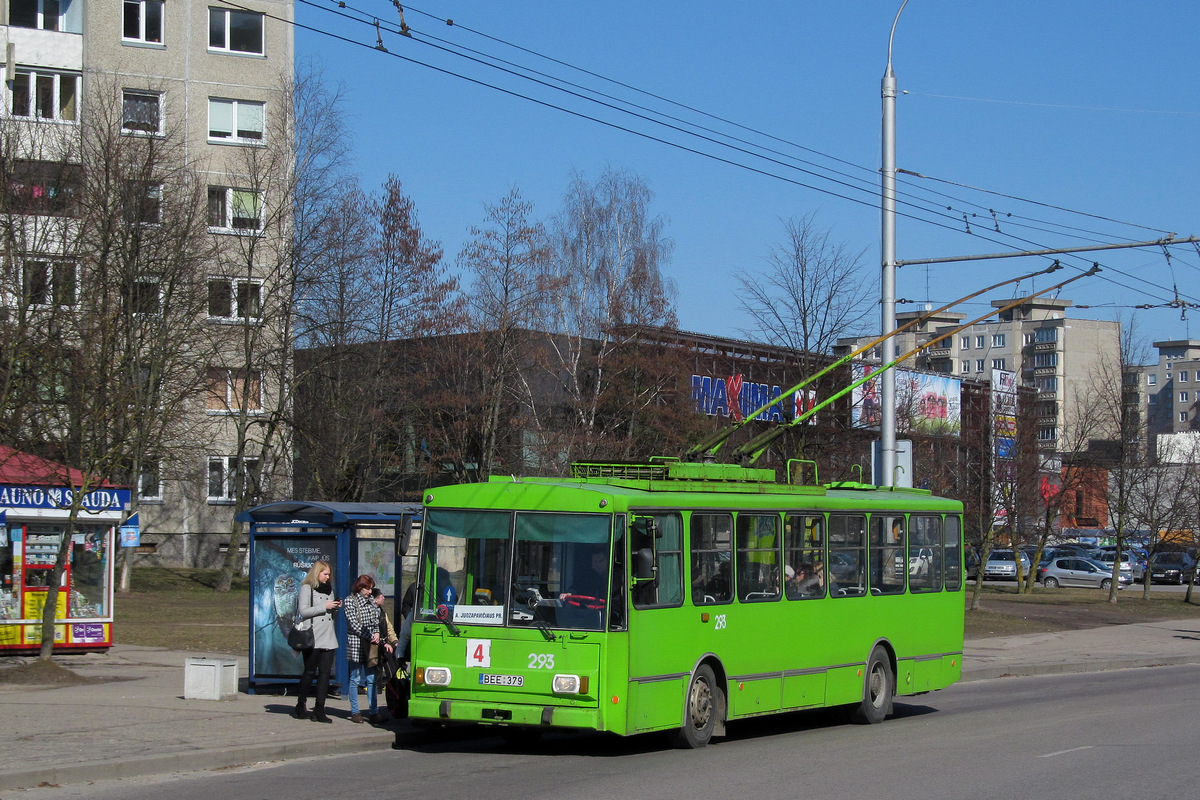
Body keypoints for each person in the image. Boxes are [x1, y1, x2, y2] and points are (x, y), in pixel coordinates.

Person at [295, 560, 341, 724]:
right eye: (325, 574)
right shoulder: (307, 588)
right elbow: (303, 611)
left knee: (325, 674)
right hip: (312, 636)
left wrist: (335, 607)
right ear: (317, 573)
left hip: (328, 636)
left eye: (329, 575)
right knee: (309, 672)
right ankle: (301, 704)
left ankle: (319, 709)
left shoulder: (329, 590)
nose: (327, 577)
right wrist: (324, 606)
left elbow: (330, 615)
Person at [343, 574, 381, 724]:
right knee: (355, 678)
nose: (370, 592)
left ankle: (374, 712)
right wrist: (369, 635)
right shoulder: (350, 601)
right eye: (367, 589)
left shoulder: (371, 600)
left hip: (370, 645)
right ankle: (355, 712)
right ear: (360, 587)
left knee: (371, 679)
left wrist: (377, 632)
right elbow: (353, 623)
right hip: (356, 644)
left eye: (371, 589)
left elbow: (376, 619)